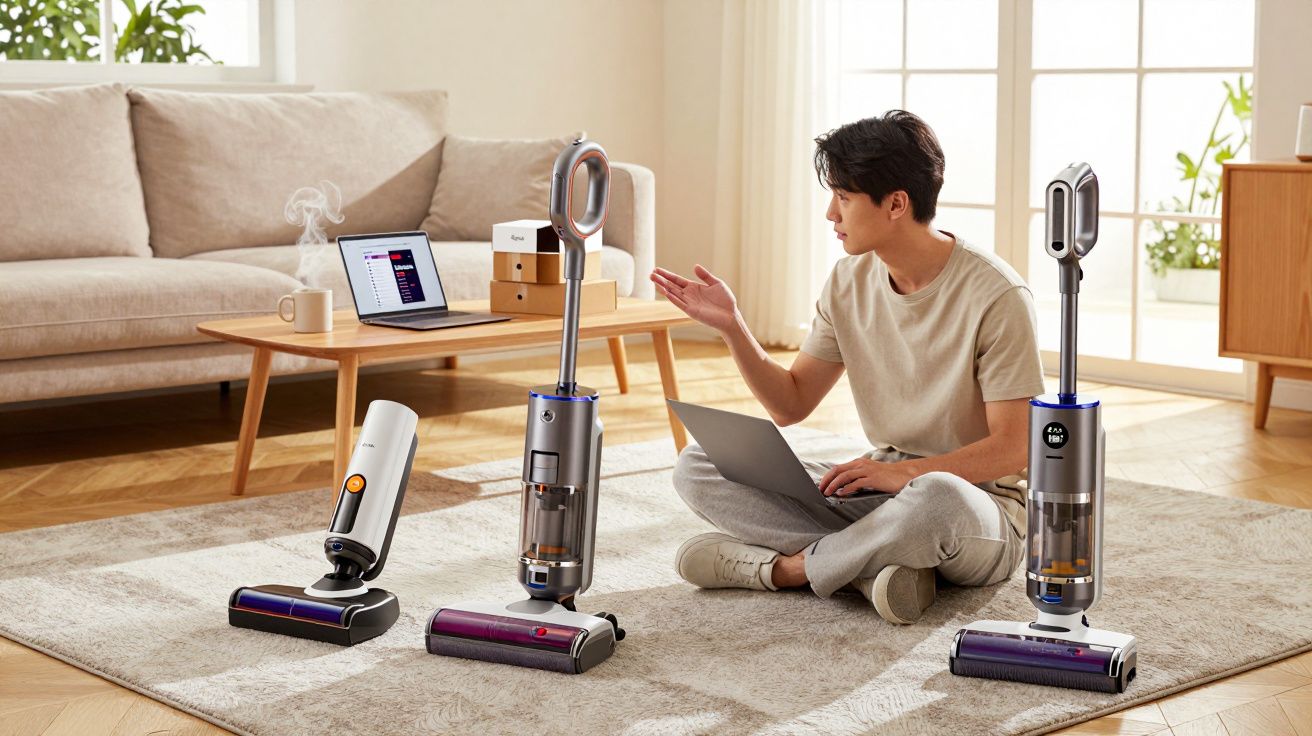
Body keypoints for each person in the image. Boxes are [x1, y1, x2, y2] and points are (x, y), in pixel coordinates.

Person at [651, 110, 1045, 625]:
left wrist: (899, 475)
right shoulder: (847, 281)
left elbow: (1015, 447)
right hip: (880, 487)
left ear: (896, 204)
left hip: (978, 507)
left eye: (843, 197)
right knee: (698, 465)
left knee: (935, 498)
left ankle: (785, 570)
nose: (829, 214)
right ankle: (867, 569)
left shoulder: (998, 295)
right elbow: (790, 404)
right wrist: (732, 326)